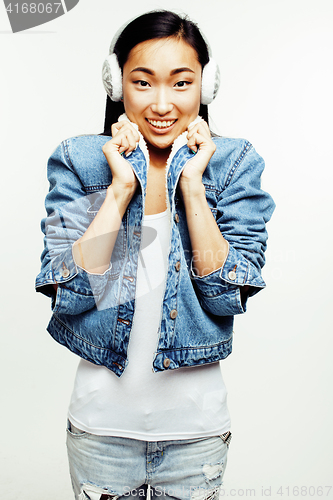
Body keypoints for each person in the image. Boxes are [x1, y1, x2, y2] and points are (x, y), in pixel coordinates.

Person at [35, 10, 275, 500]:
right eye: (142, 82)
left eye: (181, 83)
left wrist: (190, 185)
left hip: (197, 434)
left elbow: (227, 294)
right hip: (101, 431)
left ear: (205, 87)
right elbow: (72, 294)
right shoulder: (79, 160)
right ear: (116, 83)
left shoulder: (234, 165)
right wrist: (121, 189)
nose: (162, 103)